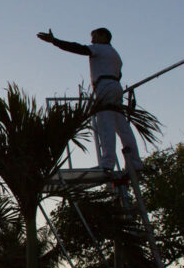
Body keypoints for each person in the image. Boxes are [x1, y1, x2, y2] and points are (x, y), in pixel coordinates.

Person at [37, 27, 143, 172]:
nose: (92, 41)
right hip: (115, 87)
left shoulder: (100, 49)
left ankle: (107, 163)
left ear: (104, 37)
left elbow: (78, 48)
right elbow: (119, 74)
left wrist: (55, 41)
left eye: (95, 36)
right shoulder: (115, 55)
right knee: (122, 126)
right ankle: (135, 163)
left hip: (104, 86)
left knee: (106, 124)